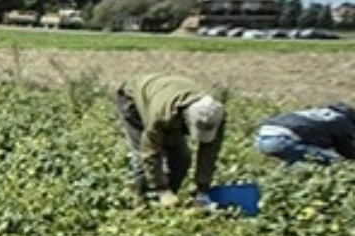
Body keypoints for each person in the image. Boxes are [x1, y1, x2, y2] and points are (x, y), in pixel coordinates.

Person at [113, 75, 227, 203]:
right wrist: (162, 190)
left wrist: (202, 189)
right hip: (133, 99)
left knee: (181, 158)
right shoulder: (161, 115)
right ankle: (143, 202)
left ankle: (171, 198)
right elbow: (150, 151)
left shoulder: (215, 115)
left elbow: (209, 152)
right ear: (186, 119)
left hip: (166, 96)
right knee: (142, 162)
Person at [254, 103, 355, 164]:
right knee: (338, 162)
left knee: (298, 162)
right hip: (281, 139)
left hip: (261, 138)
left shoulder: (319, 113)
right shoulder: (342, 121)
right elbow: (347, 151)